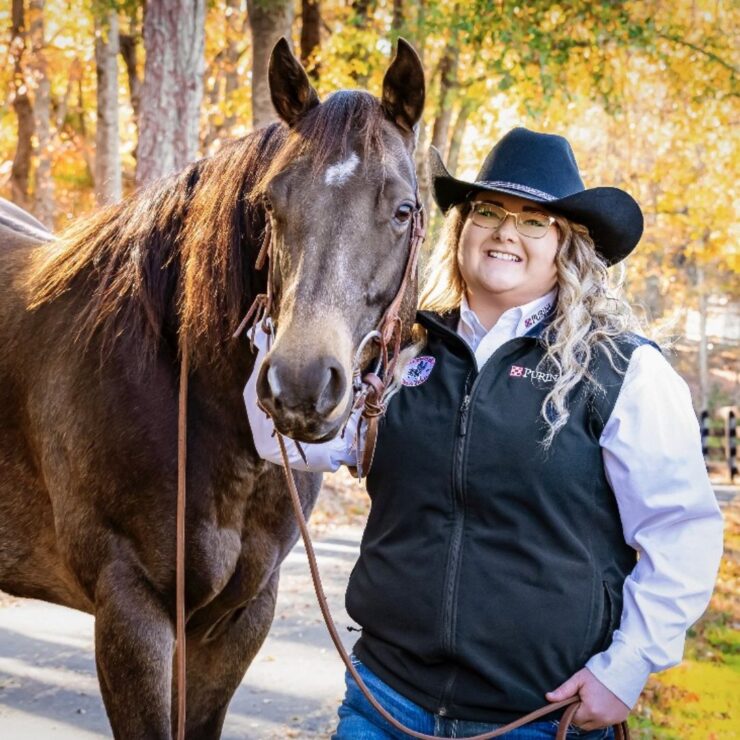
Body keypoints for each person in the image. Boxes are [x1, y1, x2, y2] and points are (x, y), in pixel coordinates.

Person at [244, 128, 724, 739]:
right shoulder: (398, 352)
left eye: (534, 220)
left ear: (565, 245)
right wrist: (277, 335)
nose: (505, 232)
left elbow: (680, 532)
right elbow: (285, 442)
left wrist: (626, 668)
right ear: (462, 229)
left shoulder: (624, 370)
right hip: (385, 703)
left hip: (538, 717)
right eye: (489, 211)